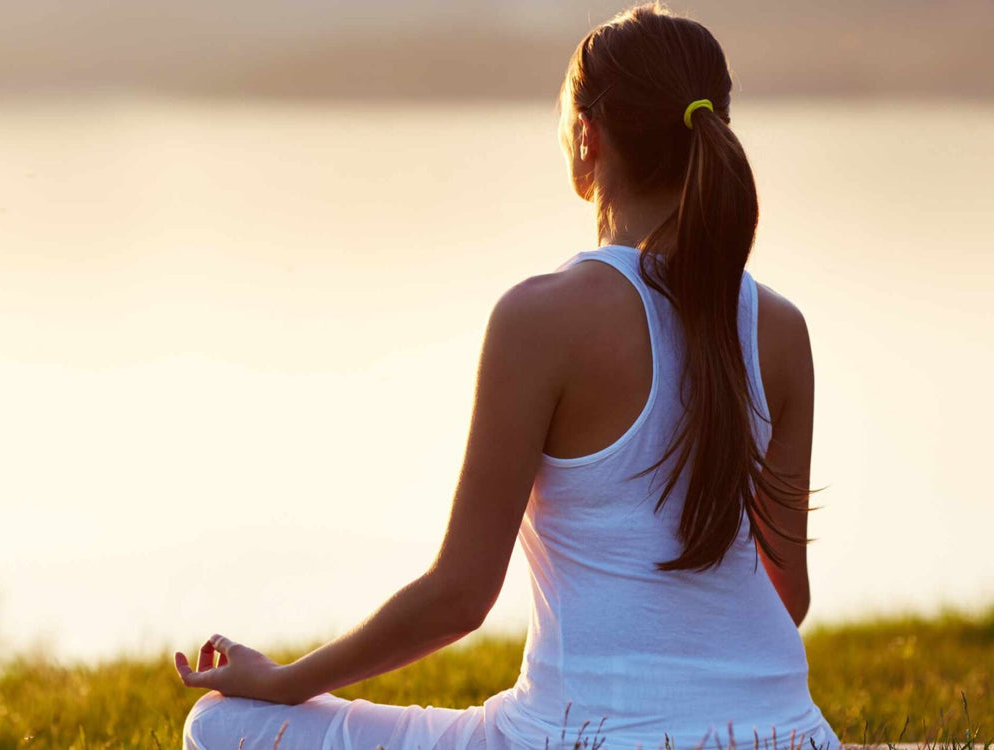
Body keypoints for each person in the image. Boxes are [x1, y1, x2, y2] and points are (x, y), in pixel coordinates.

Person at [174, 3, 843, 749]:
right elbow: (789, 597)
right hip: (790, 736)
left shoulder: (542, 319)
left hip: (575, 736)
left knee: (222, 724)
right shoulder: (779, 328)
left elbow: (459, 598)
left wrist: (283, 680)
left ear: (587, 136)